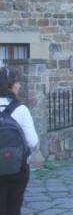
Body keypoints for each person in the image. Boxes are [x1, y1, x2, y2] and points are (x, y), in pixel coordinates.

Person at [0, 67, 39, 215]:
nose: (20, 85)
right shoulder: (21, 109)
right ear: (10, 84)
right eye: (17, 82)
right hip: (17, 167)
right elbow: (32, 141)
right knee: (13, 208)